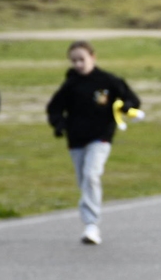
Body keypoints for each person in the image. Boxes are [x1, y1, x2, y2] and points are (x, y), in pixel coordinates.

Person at [44, 40, 141, 247]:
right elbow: (54, 108)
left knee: (91, 174)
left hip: (101, 137)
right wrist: (59, 125)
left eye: (82, 59)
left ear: (93, 57)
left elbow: (132, 99)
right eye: (74, 61)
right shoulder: (70, 85)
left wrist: (126, 107)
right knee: (84, 180)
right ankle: (90, 218)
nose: (78, 64)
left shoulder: (109, 81)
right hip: (76, 139)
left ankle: (91, 224)